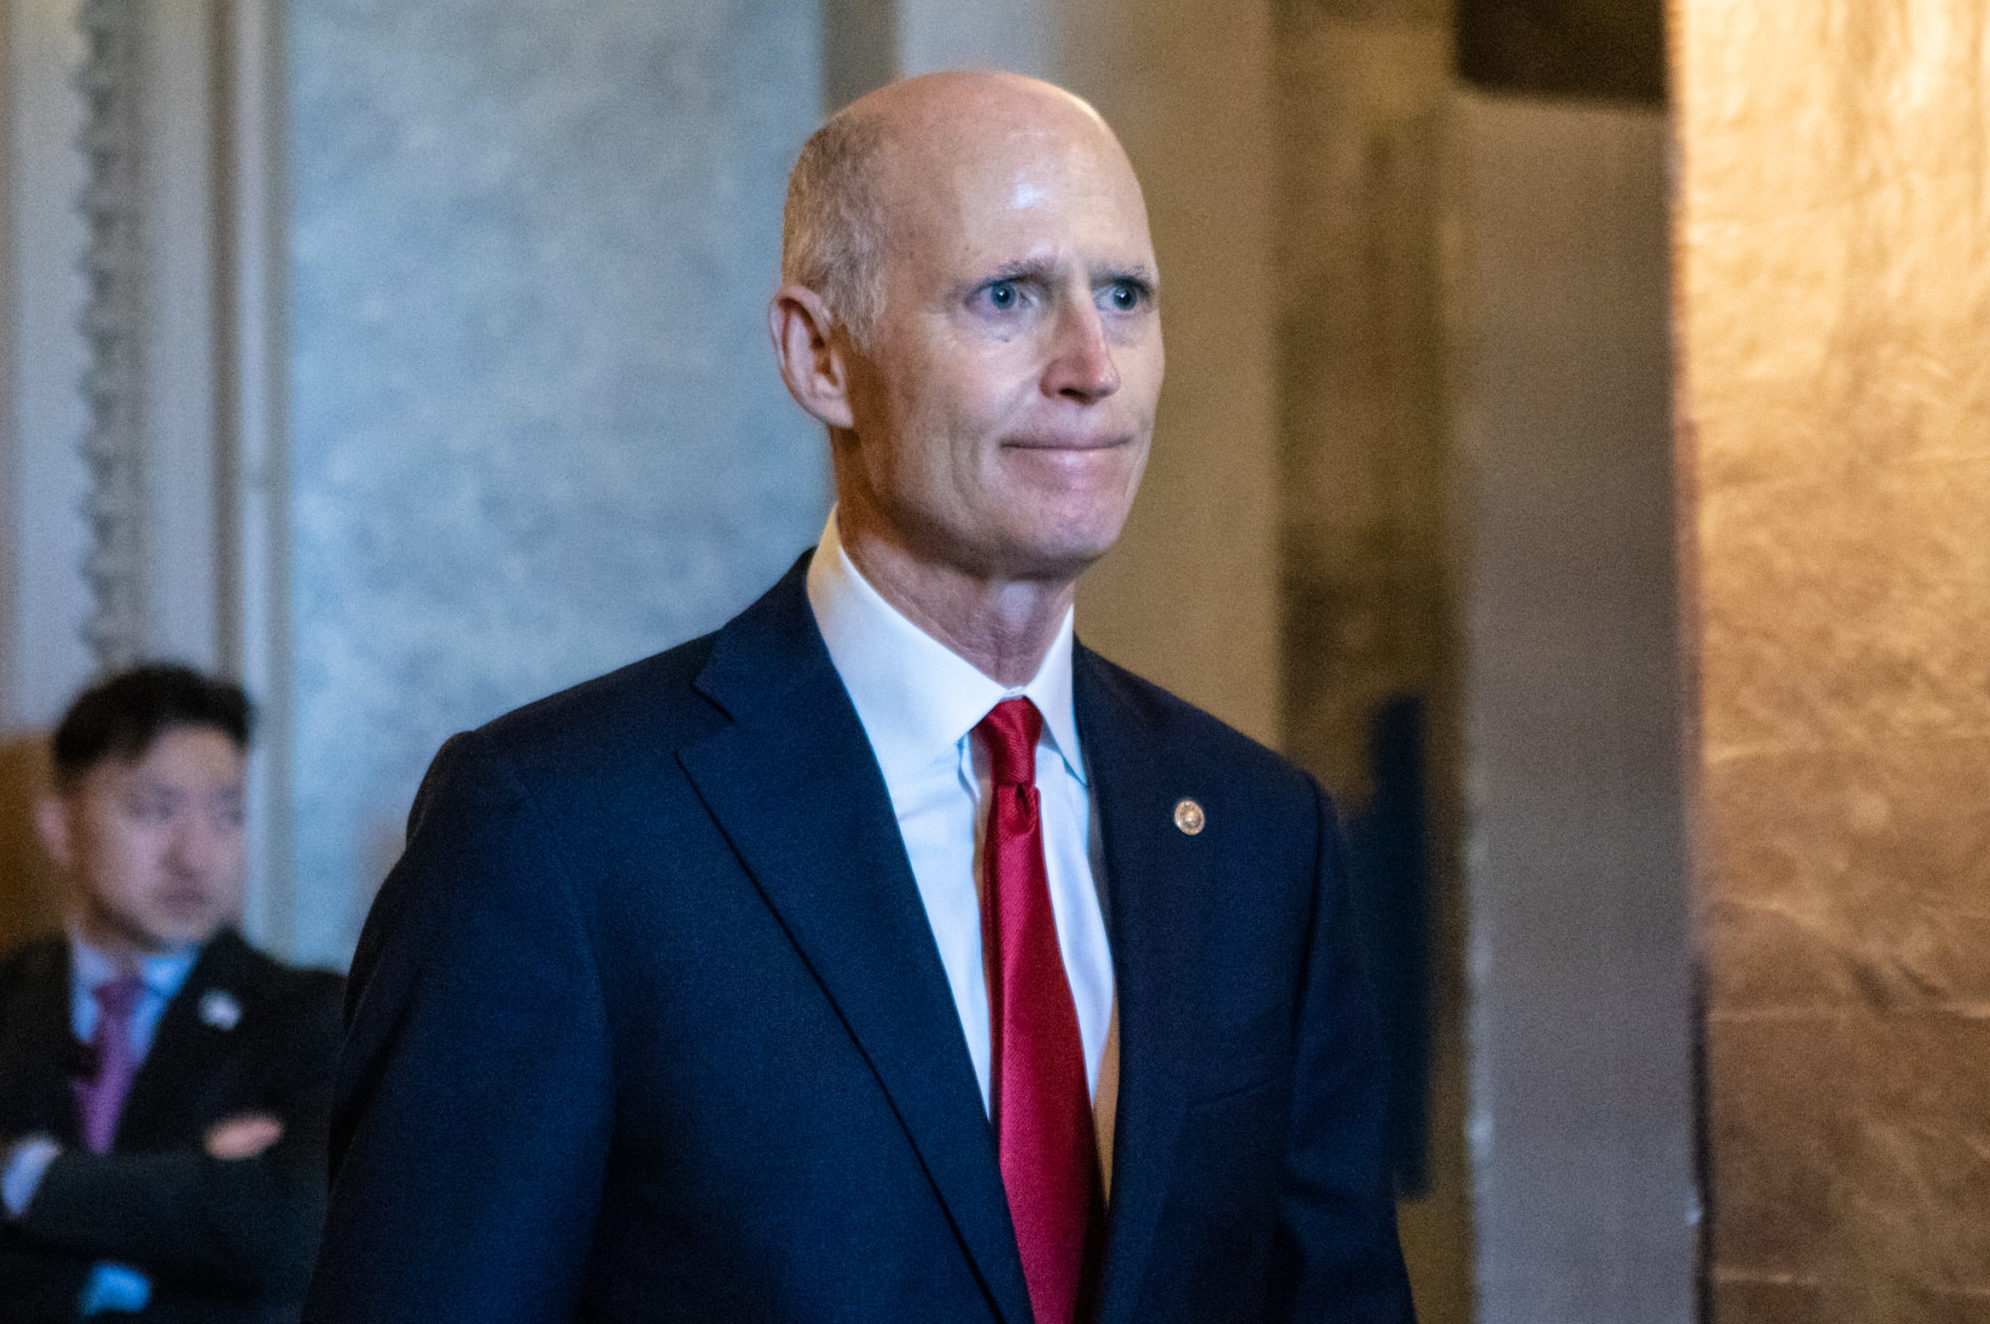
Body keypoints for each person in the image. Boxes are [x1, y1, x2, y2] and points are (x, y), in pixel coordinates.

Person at [304, 71, 1414, 1323]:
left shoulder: (1262, 835)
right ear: (820, 354)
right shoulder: (556, 832)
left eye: (1125, 295)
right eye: (1007, 296)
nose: (1093, 366)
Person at [0, 664, 342, 1322]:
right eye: (154, 811)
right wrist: (195, 1181)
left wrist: (23, 1174)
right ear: (60, 828)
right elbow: (227, 1225)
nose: (194, 856)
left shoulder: (311, 1016)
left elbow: (285, 1231)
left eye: (227, 815)